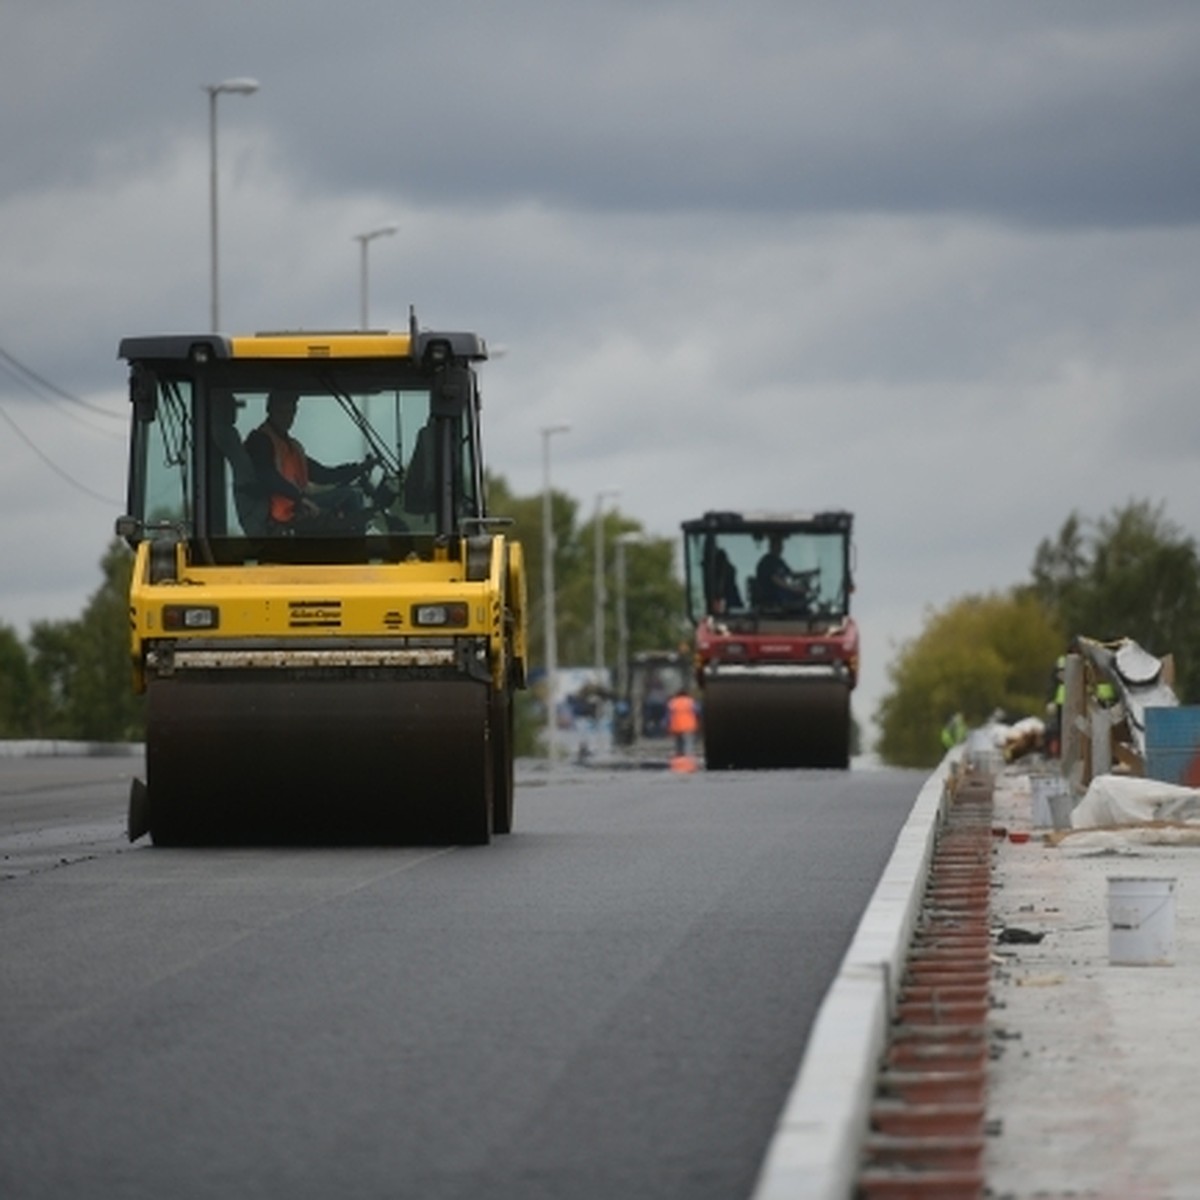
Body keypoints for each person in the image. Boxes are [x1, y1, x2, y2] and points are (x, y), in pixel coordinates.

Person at [244, 392, 371, 533]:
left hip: (298, 504)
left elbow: (323, 474)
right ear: (269, 410)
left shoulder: (292, 446)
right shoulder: (260, 440)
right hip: (283, 512)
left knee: (353, 494)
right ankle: (359, 546)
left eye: (291, 412)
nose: (287, 417)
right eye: (281, 412)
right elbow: (267, 475)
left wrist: (357, 469)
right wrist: (300, 498)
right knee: (351, 497)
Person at [754, 533, 817, 610]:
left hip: (784, 598)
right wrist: (795, 589)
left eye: (781, 545)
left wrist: (811, 573)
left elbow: (792, 575)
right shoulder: (766, 562)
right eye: (778, 545)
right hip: (773, 602)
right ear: (771, 546)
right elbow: (776, 580)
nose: (781, 548)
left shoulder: (779, 561)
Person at [667, 688, 699, 759]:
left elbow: (668, 715)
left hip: (676, 726)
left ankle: (679, 755)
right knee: (688, 742)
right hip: (688, 725)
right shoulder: (690, 701)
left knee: (678, 742)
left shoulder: (673, 702)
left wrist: (668, 725)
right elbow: (697, 711)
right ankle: (688, 756)